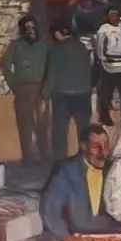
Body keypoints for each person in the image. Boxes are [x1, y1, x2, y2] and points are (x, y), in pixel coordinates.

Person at [41, 123, 121, 238]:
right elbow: (50, 211)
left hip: (111, 238)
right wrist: (66, 238)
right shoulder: (67, 171)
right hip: (73, 238)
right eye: (96, 147)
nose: (103, 153)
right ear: (83, 146)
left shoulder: (115, 170)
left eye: (105, 146)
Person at [2, 16, 53, 165]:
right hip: (23, 90)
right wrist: (14, 85)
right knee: (25, 126)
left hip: (41, 89)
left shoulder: (45, 46)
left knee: (42, 125)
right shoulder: (16, 46)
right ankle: (29, 158)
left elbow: (52, 69)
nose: (30, 31)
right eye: (26, 28)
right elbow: (5, 65)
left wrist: (47, 89)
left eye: (32, 27)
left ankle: (45, 157)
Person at [43, 20, 96, 159]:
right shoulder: (82, 48)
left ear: (57, 33)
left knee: (60, 131)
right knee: (84, 131)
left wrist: (45, 94)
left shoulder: (57, 49)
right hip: (83, 94)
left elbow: (51, 74)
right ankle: (85, 159)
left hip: (63, 95)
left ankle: (60, 161)